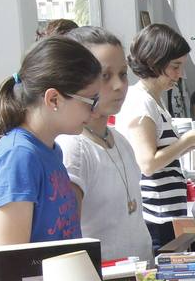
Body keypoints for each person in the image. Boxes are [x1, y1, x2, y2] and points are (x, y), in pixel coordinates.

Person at [0, 37, 102, 247]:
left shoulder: (52, 151)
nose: (95, 111)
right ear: (53, 99)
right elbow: (10, 258)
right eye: (91, 101)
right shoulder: (18, 156)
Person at [118, 23, 195, 250]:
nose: (181, 74)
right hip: (156, 217)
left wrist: (191, 143)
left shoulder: (153, 100)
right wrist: (188, 140)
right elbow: (148, 163)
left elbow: (160, 157)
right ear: (155, 63)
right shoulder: (141, 104)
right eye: (175, 66)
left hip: (165, 214)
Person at [57, 27, 152, 261]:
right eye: (105, 76)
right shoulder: (73, 148)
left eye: (123, 74)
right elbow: (69, 240)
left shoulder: (120, 140)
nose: (119, 85)